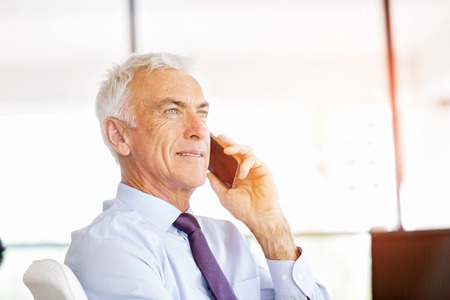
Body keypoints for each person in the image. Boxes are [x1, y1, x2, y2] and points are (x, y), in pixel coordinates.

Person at [65, 52, 329, 299]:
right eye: (172, 111)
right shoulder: (110, 245)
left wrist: (270, 224)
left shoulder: (225, 239)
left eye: (201, 113)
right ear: (119, 136)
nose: (199, 130)